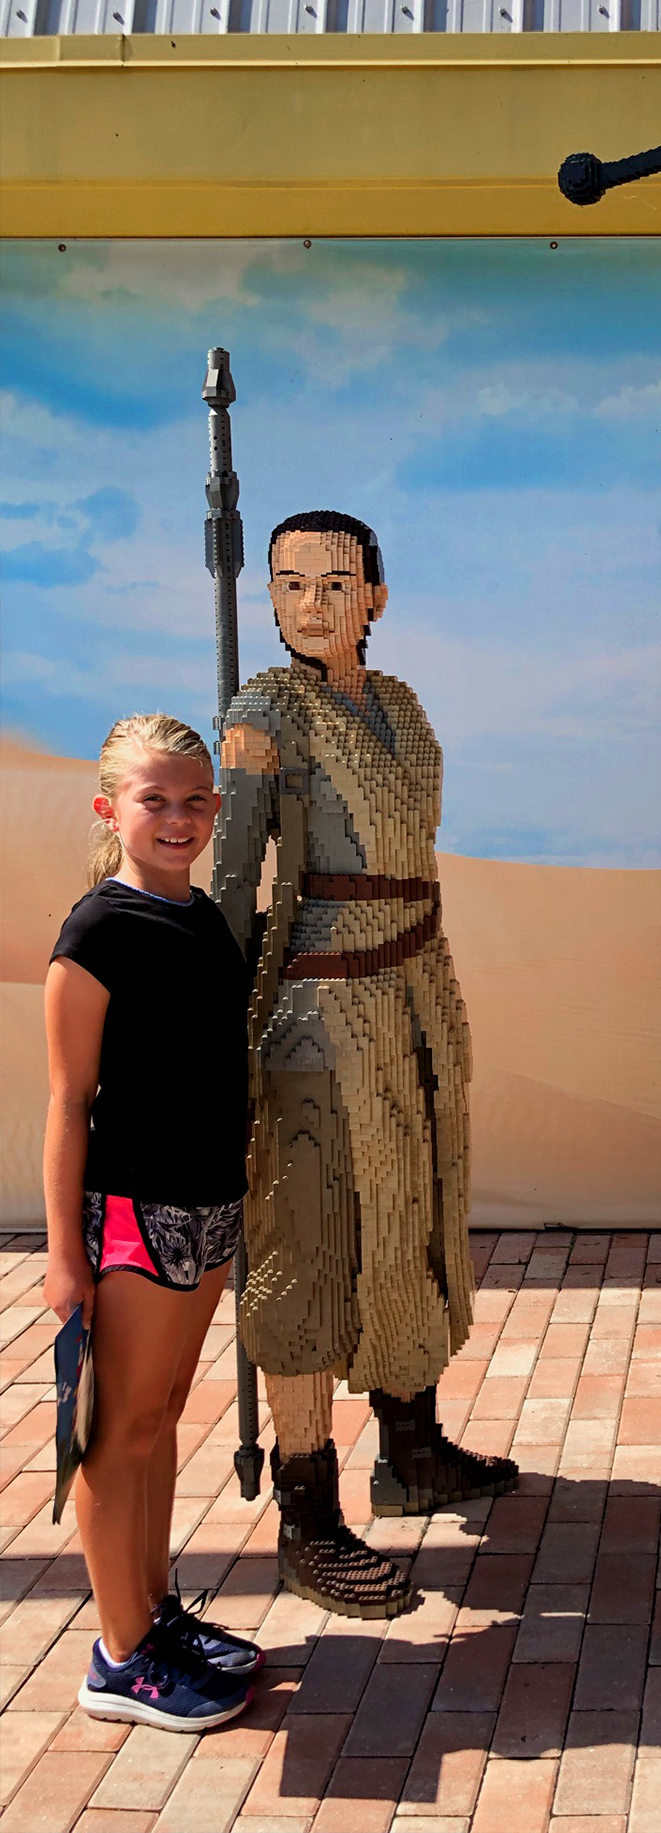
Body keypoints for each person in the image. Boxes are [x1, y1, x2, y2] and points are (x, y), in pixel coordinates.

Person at [214, 510, 517, 1620]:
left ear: (376, 598)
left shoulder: (400, 707)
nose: (310, 604)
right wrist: (218, 1038)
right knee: (309, 1244)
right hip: (314, 1017)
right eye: (289, 583)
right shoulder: (261, 716)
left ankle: (413, 1449)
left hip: (417, 997)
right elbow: (234, 882)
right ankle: (307, 1515)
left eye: (337, 582)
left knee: (417, 1219)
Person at [45, 715, 267, 1730]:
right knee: (119, 1431)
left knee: (165, 1415)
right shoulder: (96, 934)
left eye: (193, 801)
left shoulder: (207, 919)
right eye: (153, 801)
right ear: (111, 810)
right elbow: (66, 1100)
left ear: (215, 810)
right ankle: (120, 1656)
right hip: (134, 1216)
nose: (176, 820)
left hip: (210, 1205)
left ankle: (153, 1610)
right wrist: (62, 1257)